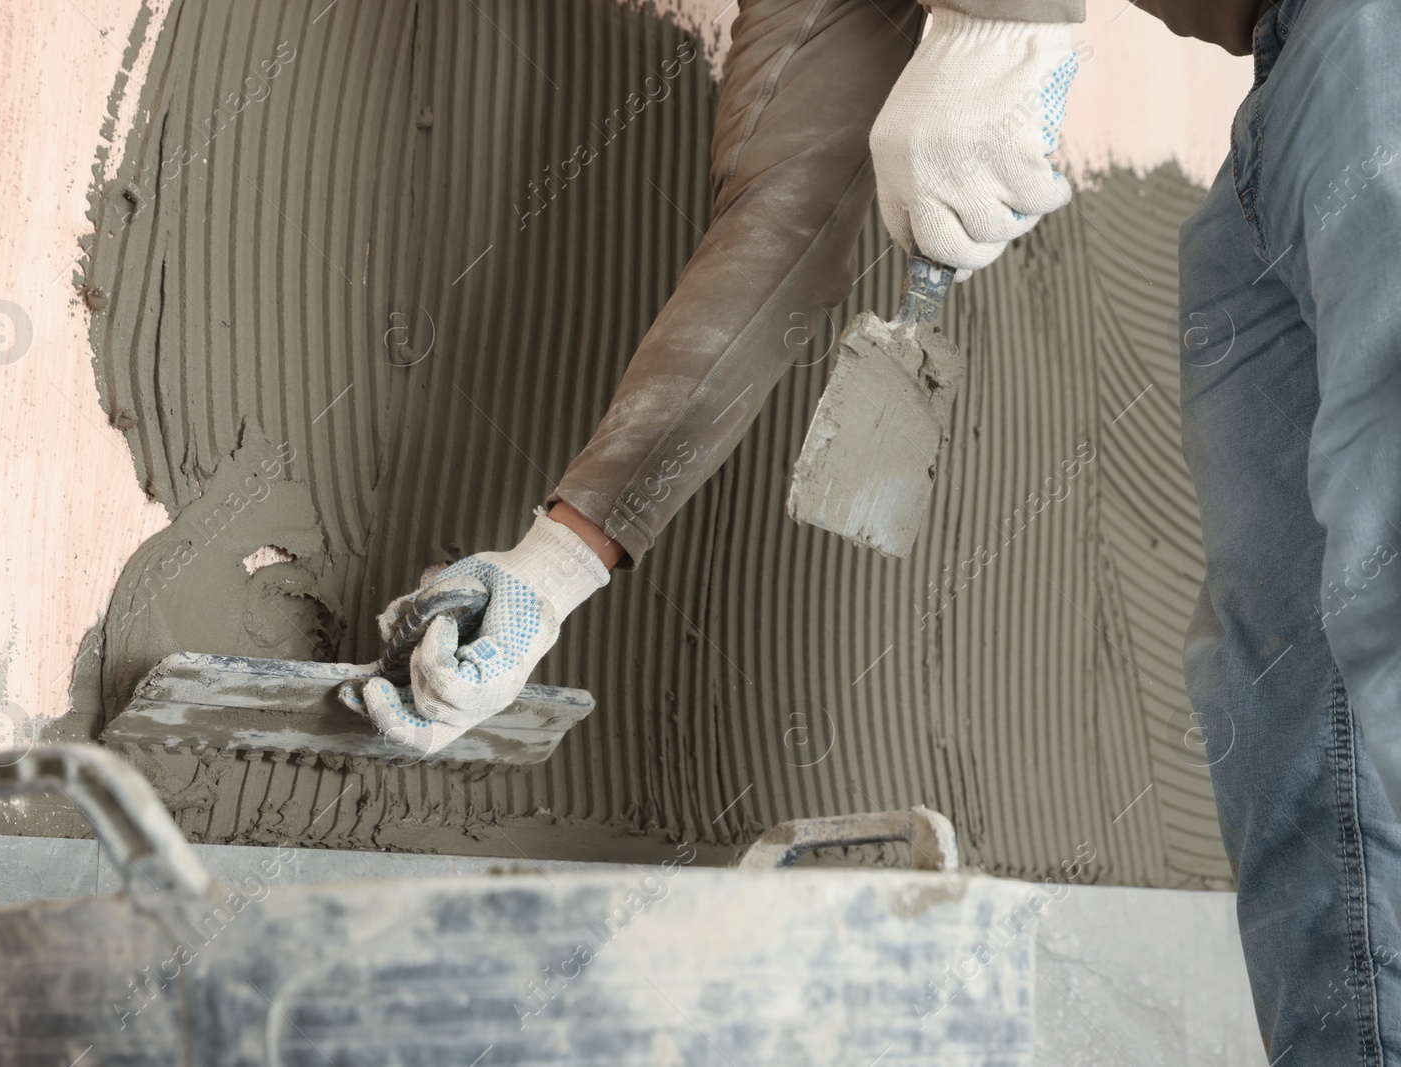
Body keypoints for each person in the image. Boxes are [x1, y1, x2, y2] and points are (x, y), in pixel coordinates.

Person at [342, 0, 1401, 1059]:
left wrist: (999, 17)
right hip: (1290, 87)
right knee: (1297, 730)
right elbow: (781, 219)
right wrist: (555, 565)